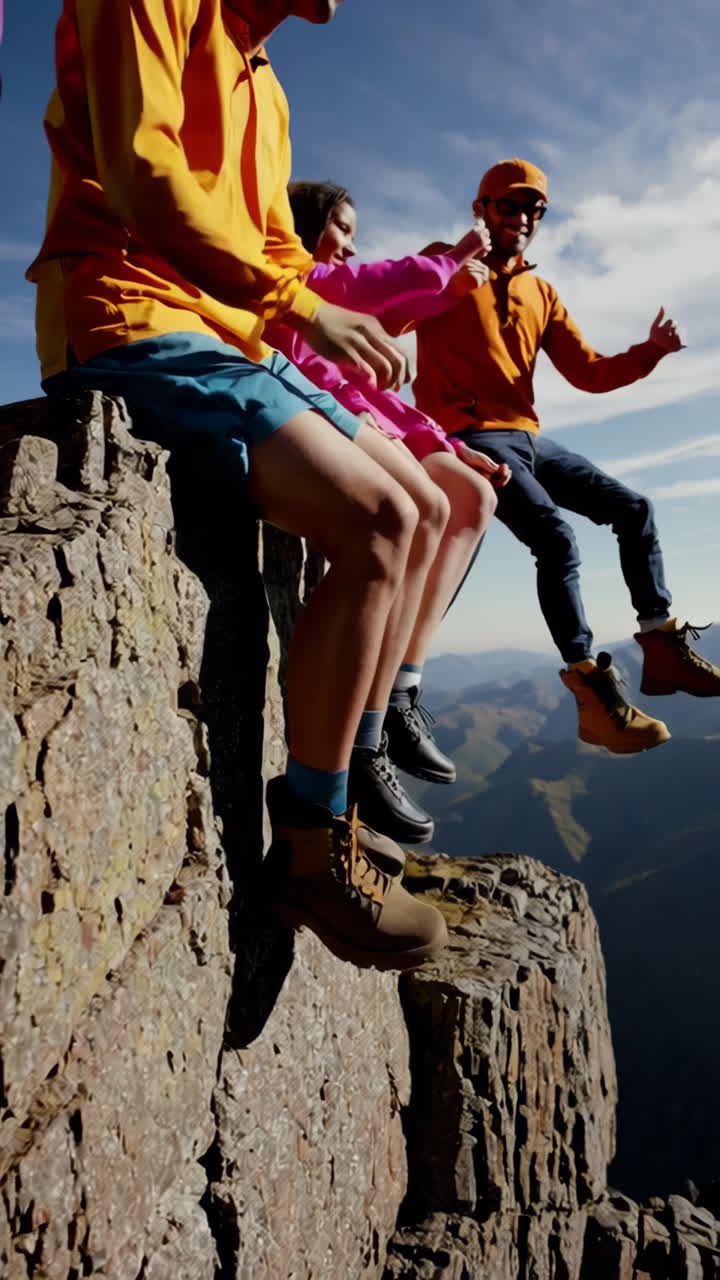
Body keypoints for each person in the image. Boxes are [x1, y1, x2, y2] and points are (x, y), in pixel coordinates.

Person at [25, 0, 448, 971]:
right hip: (132, 318)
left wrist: (379, 301)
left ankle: (349, 768)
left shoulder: (267, 83)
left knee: (424, 506)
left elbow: (280, 253)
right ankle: (309, 845)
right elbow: (142, 175)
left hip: (236, 340)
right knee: (380, 518)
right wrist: (301, 305)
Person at [414, 157, 720, 754]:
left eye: (535, 209)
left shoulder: (541, 292)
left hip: (529, 438)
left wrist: (651, 351)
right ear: (481, 209)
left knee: (634, 509)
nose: (523, 217)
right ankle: (591, 690)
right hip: (470, 435)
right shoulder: (444, 262)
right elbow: (392, 309)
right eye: (510, 204)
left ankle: (660, 646)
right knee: (555, 538)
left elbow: (588, 373)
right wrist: (449, 268)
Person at [265, 180, 509, 842]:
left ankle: (400, 691)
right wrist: (451, 259)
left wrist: (446, 445)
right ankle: (366, 741)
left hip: (353, 417)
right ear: (306, 224)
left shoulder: (319, 304)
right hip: (312, 416)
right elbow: (369, 291)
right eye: (342, 227)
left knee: (474, 497)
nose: (350, 244)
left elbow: (372, 394)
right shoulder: (293, 282)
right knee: (425, 508)